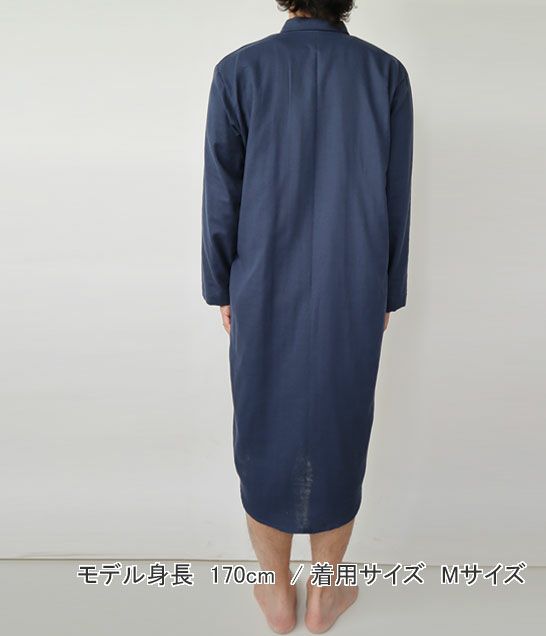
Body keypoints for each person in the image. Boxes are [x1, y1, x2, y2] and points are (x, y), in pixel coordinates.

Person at [201, 0, 413, 632]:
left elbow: (221, 193)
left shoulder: (239, 71)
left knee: (261, 424)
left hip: (262, 279)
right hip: (354, 279)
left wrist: (221, 286)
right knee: (342, 426)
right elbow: (395, 195)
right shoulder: (384, 73)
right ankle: (325, 595)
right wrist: (386, 291)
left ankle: (275, 593)